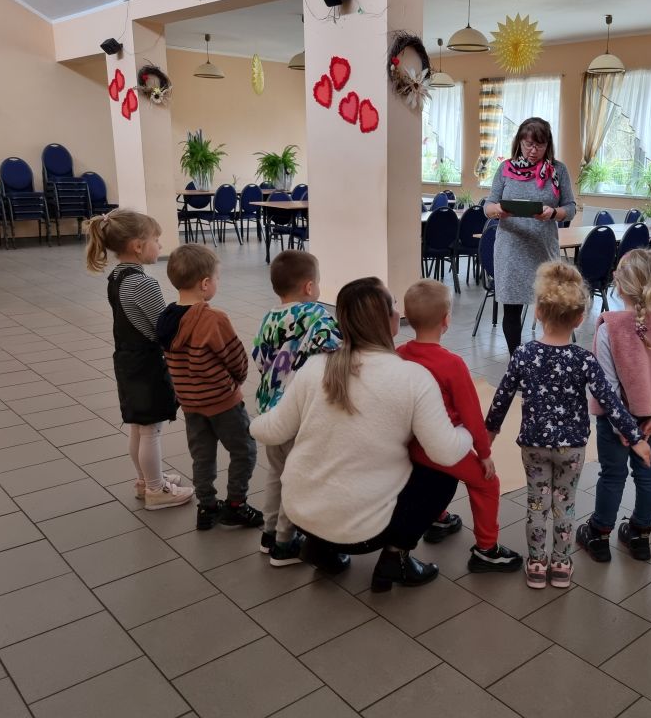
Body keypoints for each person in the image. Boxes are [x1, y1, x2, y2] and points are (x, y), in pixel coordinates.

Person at [249, 277, 473, 592]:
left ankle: (320, 548)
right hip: (366, 532)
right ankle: (396, 557)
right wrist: (467, 431)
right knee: (442, 475)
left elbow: (270, 430)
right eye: (394, 304)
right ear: (386, 320)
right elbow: (446, 452)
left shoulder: (315, 367)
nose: (399, 311)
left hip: (301, 513)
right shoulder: (412, 377)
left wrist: (251, 421)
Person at [485, 261, 651, 590]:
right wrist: (635, 438)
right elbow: (610, 401)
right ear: (579, 318)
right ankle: (560, 565)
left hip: (533, 447)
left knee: (536, 503)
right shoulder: (584, 359)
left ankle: (535, 564)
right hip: (572, 449)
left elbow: (500, 400)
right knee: (564, 503)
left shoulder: (523, 354)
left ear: (537, 313)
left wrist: (486, 438)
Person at [397, 280, 522, 573]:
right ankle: (487, 550)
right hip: (442, 445)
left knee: (429, 477)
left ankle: (438, 517)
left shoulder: (400, 353)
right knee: (487, 483)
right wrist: (485, 452)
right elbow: (471, 416)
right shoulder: (452, 364)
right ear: (447, 321)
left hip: (410, 444)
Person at [577, 249, 651, 562]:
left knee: (612, 476)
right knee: (648, 476)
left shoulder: (609, 326)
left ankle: (599, 534)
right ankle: (640, 535)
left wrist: (622, 427)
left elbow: (606, 387)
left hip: (615, 423)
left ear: (619, 286)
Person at [85, 210, 193, 511]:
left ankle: (145, 480)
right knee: (151, 430)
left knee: (137, 427)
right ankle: (157, 491)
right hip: (146, 364)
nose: (159, 246)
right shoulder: (143, 284)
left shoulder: (117, 277)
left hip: (126, 359)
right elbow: (164, 326)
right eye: (156, 240)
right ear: (137, 245)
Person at [156, 244, 262, 531]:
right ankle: (236, 504)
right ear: (205, 284)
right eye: (216, 278)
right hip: (223, 403)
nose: (217, 283)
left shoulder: (166, 319)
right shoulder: (214, 319)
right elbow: (237, 359)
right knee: (244, 450)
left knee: (202, 456)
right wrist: (235, 383)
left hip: (190, 404)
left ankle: (207, 506)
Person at [252, 250, 341, 566]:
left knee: (277, 473)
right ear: (309, 287)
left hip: (269, 411)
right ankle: (285, 544)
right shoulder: (318, 317)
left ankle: (269, 531)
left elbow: (259, 358)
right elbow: (338, 352)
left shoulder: (269, 317)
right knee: (298, 478)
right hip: (299, 414)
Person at [482, 117, 577, 355]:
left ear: (548, 145)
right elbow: (488, 204)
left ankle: (548, 356)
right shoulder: (505, 169)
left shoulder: (558, 170)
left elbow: (570, 207)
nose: (533, 151)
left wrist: (554, 212)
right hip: (510, 250)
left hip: (543, 250)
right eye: (528, 145)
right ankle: (517, 361)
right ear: (519, 143)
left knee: (551, 307)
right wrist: (497, 210)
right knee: (512, 310)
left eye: (539, 145)